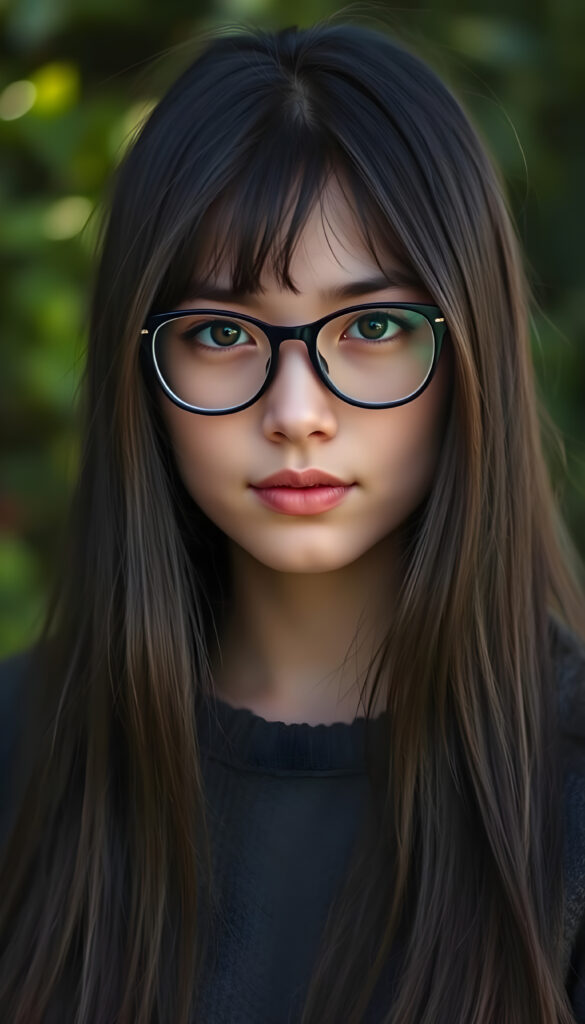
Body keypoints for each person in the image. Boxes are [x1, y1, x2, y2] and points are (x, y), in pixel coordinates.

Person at [1, 20, 585, 1024]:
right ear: (143, 372)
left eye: (372, 327)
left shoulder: (566, 794)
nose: (298, 412)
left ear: (469, 350)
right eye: (223, 332)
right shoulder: (20, 750)